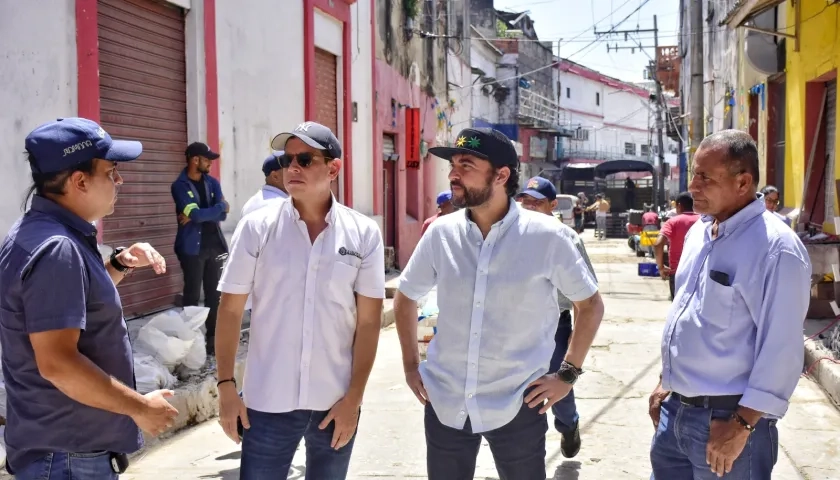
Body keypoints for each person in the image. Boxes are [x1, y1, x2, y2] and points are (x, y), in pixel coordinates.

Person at [393, 127, 604, 480]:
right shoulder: (441, 234)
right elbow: (405, 298)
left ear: (501, 175)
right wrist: (411, 366)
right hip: (446, 401)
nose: (453, 174)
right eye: (453, 165)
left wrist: (567, 375)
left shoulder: (548, 237)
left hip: (519, 402)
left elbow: (590, 306)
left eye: (466, 164)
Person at [0, 117, 178, 479]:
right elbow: (58, 363)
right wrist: (141, 408)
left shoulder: (42, 235)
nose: (120, 180)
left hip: (62, 453)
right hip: (68, 459)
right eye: (111, 171)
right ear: (79, 181)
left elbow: (67, 305)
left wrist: (119, 264)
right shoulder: (56, 250)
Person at [215, 121, 385, 480]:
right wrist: (226, 387)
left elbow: (369, 323)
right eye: (287, 159)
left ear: (333, 168)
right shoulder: (257, 227)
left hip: (335, 401)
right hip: (267, 403)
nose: (291, 168)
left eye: (305, 159)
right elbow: (230, 310)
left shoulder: (364, 233)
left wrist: (354, 397)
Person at [649, 130, 811, 479]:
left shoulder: (776, 248)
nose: (693, 186)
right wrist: (666, 382)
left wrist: (742, 425)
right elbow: (688, 316)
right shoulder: (700, 232)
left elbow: (781, 349)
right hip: (675, 414)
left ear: (743, 182)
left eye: (705, 177)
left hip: (727, 422)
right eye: (694, 174)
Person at [516, 176, 598, 458]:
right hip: (517, 323)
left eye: (536, 203)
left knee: (555, 384)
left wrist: (575, 344)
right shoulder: (509, 235)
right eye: (524, 201)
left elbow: (586, 299)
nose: (528, 207)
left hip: (556, 326)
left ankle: (568, 425)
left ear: (552, 206)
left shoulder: (566, 238)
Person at [171, 141, 229, 355]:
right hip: (191, 249)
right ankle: (191, 343)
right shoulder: (179, 186)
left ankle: (212, 342)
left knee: (215, 296)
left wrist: (215, 210)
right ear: (195, 160)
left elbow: (221, 214)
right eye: (207, 160)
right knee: (192, 296)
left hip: (214, 246)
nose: (210, 164)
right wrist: (218, 207)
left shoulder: (212, 183)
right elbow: (197, 214)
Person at [653, 192, 700, 301]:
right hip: (701, 272)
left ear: (679, 205)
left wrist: (661, 267)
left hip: (678, 272)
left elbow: (658, 243)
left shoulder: (673, 221)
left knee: (678, 309)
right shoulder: (704, 220)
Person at [241, 152, 289, 217]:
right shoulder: (283, 206)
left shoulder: (249, 204)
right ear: (275, 176)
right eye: (288, 170)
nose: (295, 173)